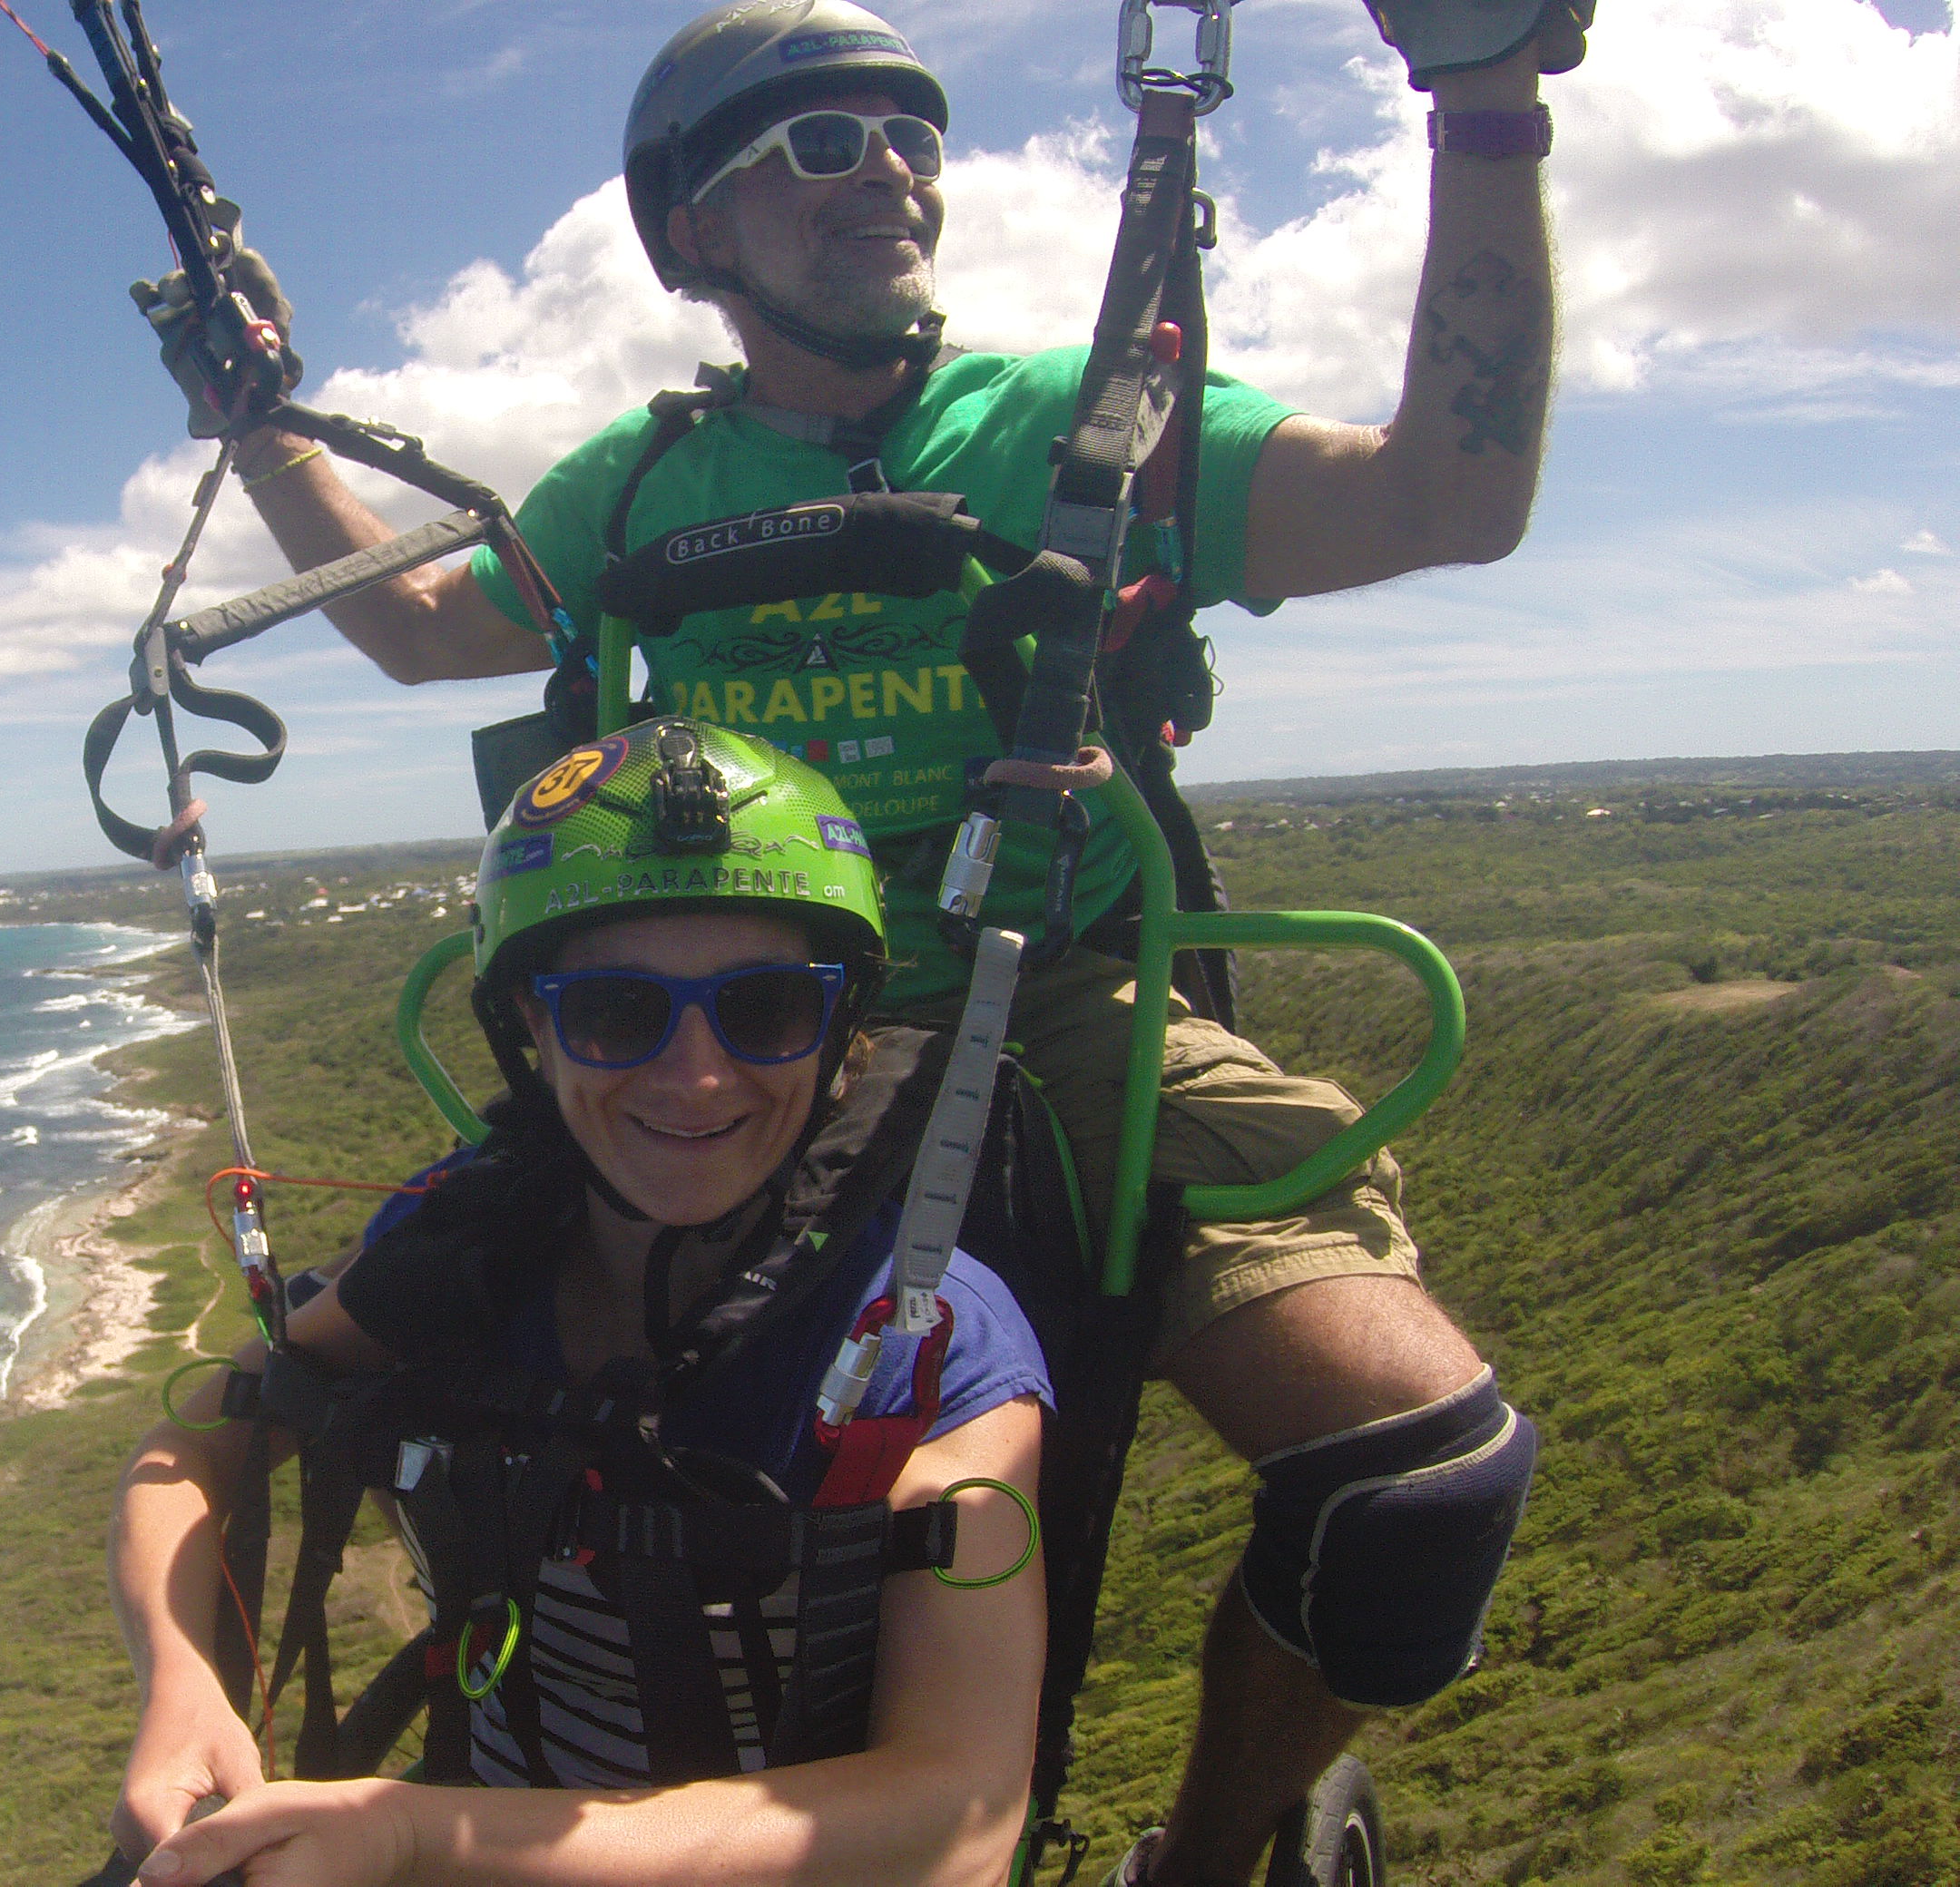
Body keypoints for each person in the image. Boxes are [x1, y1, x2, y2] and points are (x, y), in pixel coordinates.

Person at [133, 5, 1563, 1880]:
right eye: (818, 145)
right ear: (699, 232)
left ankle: (1212, 1857)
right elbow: (418, 621)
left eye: (910, 134)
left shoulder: (1081, 423)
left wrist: (1481, 100)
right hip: (711, 1028)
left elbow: (1441, 495)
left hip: (1055, 994)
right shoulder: (637, 485)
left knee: (1415, 1470)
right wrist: (256, 418)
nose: (889, 168)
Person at [111, 721, 1054, 1887]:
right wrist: (181, 1680)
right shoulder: (467, 1254)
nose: (698, 1072)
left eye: (764, 1009)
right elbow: (208, 1429)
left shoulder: (931, 1341)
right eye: (616, 1011)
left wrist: (419, 1835)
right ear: (532, 1032)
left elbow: (961, 1812)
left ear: (839, 1031)